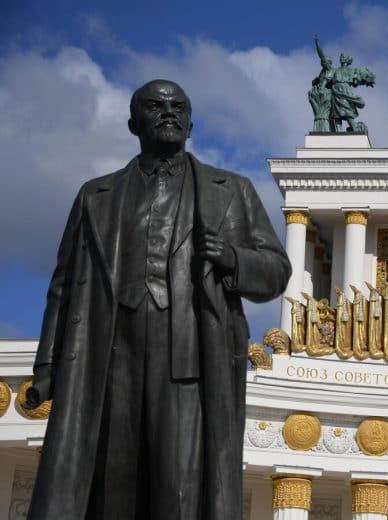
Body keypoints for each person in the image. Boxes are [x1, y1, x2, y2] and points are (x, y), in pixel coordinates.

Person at [24, 79, 291, 519]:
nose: (168, 113)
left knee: (179, 489)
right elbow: (64, 285)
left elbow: (277, 271)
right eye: (155, 106)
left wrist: (232, 259)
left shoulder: (232, 189)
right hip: (110, 355)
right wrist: (48, 366)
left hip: (188, 357)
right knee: (113, 483)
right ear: (133, 122)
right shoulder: (95, 195)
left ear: (191, 124)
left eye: (178, 107)